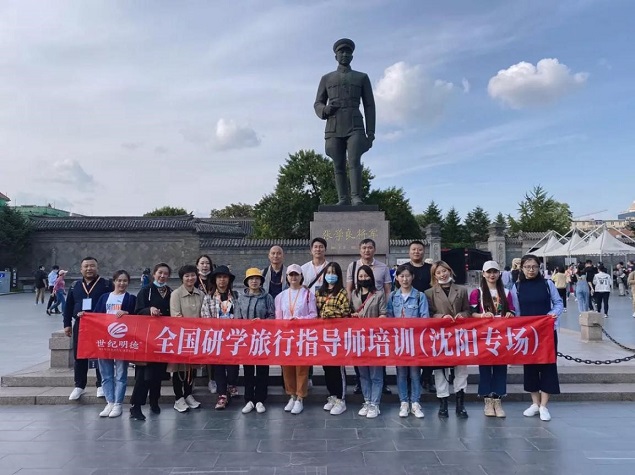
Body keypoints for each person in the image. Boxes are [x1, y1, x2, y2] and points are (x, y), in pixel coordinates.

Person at [314, 38, 375, 205]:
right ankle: (342, 199)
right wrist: (325, 110)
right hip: (333, 126)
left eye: (348, 52)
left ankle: (356, 197)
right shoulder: (326, 79)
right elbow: (318, 103)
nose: (345, 55)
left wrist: (370, 132)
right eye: (341, 52)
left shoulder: (362, 77)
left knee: (354, 161)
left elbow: (369, 106)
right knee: (338, 164)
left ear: (352, 56)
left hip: (355, 126)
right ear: (336, 56)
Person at [511, 254, 563, 422]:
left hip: (546, 332)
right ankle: (535, 402)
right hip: (528, 334)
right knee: (530, 367)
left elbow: (558, 303)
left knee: (548, 366)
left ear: (539, 268)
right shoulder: (517, 287)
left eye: (534, 266)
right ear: (522, 268)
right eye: (527, 267)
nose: (531, 270)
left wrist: (552, 314)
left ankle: (544, 405)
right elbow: (516, 310)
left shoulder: (548, 284)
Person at [425, 260, 472, 419]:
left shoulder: (462, 290)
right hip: (440, 336)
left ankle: (460, 404)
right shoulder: (429, 293)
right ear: (434, 276)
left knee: (461, 369)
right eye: (438, 272)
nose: (442, 274)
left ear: (450, 271)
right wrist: (441, 317)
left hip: (459, 335)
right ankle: (443, 403)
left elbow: (467, 310)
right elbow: (428, 313)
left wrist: (462, 315)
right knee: (440, 370)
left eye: (444, 271)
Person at [345, 238, 392, 395]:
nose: (367, 250)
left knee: (378, 350)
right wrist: (350, 310)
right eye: (364, 247)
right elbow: (349, 289)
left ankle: (382, 383)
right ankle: (360, 382)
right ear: (360, 250)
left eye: (370, 247)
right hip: (358, 314)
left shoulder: (383, 267)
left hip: (376, 313)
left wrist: (385, 312)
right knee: (359, 350)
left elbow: (387, 290)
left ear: (375, 249)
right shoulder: (353, 266)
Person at [469, 261, 515, 418]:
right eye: (489, 272)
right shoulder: (477, 293)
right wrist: (482, 315)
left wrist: (510, 314)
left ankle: (498, 399)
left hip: (501, 335)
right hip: (484, 336)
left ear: (499, 273)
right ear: (483, 274)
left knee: (501, 367)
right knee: (485, 368)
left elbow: (512, 310)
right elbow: (471, 314)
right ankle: (487, 400)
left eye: (495, 271)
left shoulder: (506, 292)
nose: (492, 275)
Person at [63, 257, 113, 401]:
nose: (89, 269)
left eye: (92, 266)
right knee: (80, 355)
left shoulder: (106, 285)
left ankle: (101, 384)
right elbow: (68, 306)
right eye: (86, 266)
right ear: (81, 269)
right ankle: (79, 385)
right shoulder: (75, 286)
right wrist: (67, 324)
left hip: (100, 326)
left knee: (100, 354)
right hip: (81, 326)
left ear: (97, 268)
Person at [130, 262, 172, 421]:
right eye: (160, 273)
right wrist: (149, 310)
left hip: (162, 339)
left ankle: (154, 401)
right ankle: (136, 406)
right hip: (146, 339)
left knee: (158, 374)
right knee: (143, 375)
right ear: (154, 274)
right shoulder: (145, 291)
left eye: (165, 273)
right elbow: (137, 311)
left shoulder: (170, 292)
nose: (162, 276)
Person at [387, 264, 429, 419]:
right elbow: (389, 318)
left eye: (407, 276)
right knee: (401, 373)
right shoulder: (393, 296)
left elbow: (425, 318)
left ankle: (415, 402)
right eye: (402, 276)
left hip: (414, 341)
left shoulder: (419, 296)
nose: (405, 279)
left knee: (415, 373)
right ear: (397, 278)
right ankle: (404, 402)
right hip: (399, 341)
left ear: (413, 277)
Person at [275, 264, 317, 415]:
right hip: (286, 336)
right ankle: (291, 395)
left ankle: (300, 397)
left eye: (296, 274)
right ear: (286, 277)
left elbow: (313, 315)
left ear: (301, 276)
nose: (293, 277)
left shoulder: (308, 295)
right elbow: (278, 318)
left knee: (301, 368)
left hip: (302, 336)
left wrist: (300, 319)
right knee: (287, 368)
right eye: (291, 275)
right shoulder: (280, 296)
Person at [94, 270, 136, 418]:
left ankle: (118, 403)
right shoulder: (104, 297)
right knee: (106, 374)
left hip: (121, 340)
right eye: (119, 280)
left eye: (125, 281)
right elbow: (96, 315)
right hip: (105, 339)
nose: (122, 283)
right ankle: (110, 402)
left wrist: (127, 313)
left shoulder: (131, 298)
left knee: (121, 374)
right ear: (114, 281)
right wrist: (84, 315)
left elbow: (137, 317)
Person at [349, 264, 387, 418]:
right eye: (360, 276)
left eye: (366, 276)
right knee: (363, 373)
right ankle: (367, 400)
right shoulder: (354, 294)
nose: (363, 278)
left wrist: (375, 321)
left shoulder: (378, 294)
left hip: (374, 338)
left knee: (376, 374)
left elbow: (384, 314)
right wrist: (353, 316)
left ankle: (375, 403)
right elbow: (349, 312)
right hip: (358, 339)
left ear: (371, 277)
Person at [237, 268, 275, 415]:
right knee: (248, 370)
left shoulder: (267, 297)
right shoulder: (241, 298)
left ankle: (260, 399)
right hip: (246, 339)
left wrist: (263, 322)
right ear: (247, 281)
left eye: (257, 278)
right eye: (251, 279)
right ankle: (249, 399)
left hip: (262, 338)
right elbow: (237, 318)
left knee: (262, 370)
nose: (254, 281)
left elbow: (272, 316)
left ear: (261, 281)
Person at [315, 262, 350, 416]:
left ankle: (341, 399)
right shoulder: (319, 292)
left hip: (337, 336)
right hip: (323, 336)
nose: (331, 275)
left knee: (338, 368)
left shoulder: (342, 292)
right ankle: (332, 396)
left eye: (333, 272)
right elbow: (315, 312)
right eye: (328, 272)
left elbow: (346, 312)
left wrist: (330, 314)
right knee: (327, 368)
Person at [169, 264, 204, 413]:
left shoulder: (200, 294)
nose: (190, 278)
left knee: (192, 368)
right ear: (182, 278)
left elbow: (204, 315)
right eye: (187, 276)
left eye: (193, 275)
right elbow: (175, 315)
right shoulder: (176, 294)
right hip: (181, 336)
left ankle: (188, 394)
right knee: (179, 369)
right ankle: (179, 398)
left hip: (196, 337)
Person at [206, 265, 241, 410]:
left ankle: (231, 384)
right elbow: (205, 317)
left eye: (225, 277)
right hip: (216, 337)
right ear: (215, 280)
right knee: (219, 366)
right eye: (219, 277)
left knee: (233, 366)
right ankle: (222, 394)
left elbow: (240, 315)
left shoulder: (236, 296)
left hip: (233, 336)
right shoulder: (209, 298)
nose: (222, 280)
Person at [404, 240, 435, 393]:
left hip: (428, 311)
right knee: (411, 347)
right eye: (414, 249)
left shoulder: (430, 269)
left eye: (420, 249)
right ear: (409, 252)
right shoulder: (404, 269)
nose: (417, 252)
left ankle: (427, 378)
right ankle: (410, 379)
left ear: (424, 251)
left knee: (428, 346)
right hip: (409, 314)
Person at [194, 254, 217, 394]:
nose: (204, 266)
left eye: (207, 263)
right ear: (197, 265)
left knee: (212, 350)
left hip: (212, 318)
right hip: (196, 317)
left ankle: (211, 379)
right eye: (202, 263)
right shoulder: (192, 279)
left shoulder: (215, 279)